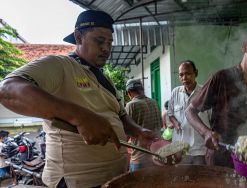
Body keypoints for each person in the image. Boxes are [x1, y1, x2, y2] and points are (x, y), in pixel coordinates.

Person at [0, 10, 155, 188]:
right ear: (79, 37)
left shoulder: (107, 80)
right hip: (76, 182)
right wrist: (80, 117)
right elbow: (7, 90)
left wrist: (139, 132)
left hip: (115, 177)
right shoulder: (60, 66)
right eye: (99, 41)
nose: (106, 48)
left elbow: (121, 117)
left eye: (110, 42)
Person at [185, 25, 247, 168]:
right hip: (222, 159)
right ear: (245, 47)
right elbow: (190, 111)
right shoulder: (221, 78)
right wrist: (206, 132)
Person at [168, 60, 211, 165]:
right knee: (181, 177)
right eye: (181, 75)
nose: (184, 78)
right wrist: (175, 123)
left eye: (188, 73)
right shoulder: (175, 92)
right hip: (180, 148)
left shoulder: (204, 92)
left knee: (199, 177)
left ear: (195, 73)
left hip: (200, 148)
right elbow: (170, 114)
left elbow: (212, 119)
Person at [125, 78, 162, 171]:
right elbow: (161, 125)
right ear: (142, 90)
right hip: (157, 156)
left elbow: (126, 134)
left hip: (140, 158)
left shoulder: (131, 105)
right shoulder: (154, 102)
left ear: (129, 92)